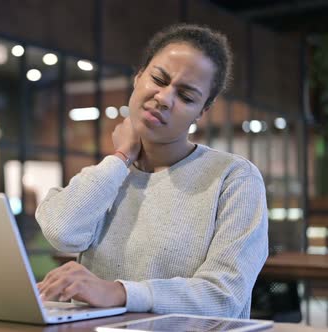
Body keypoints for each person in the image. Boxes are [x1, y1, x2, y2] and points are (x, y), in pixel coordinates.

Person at [35, 24, 268, 319]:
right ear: (138, 77)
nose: (164, 98)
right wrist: (120, 157)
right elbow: (61, 232)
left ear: (202, 111)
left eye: (186, 96)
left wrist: (120, 292)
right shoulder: (111, 175)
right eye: (159, 79)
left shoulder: (234, 178)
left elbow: (224, 296)